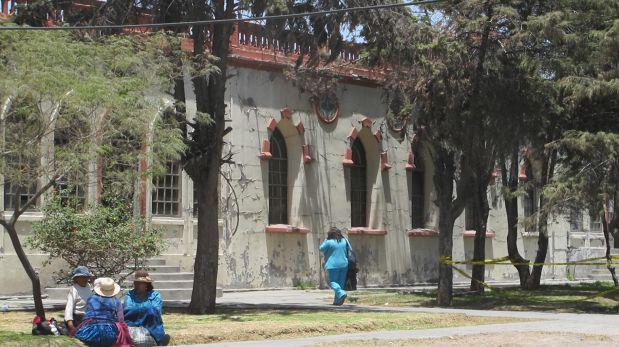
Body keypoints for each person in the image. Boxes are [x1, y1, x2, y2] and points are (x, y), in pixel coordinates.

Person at [123, 269, 170, 346]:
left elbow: (156, 309)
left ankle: (159, 340)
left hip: (150, 322)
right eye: (136, 283)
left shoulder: (155, 295)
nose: (137, 285)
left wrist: (140, 309)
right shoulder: (130, 295)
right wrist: (145, 309)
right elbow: (128, 309)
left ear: (146, 284)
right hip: (133, 322)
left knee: (152, 313)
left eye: (140, 283)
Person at [75, 277, 123, 347]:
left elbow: (87, 314)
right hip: (110, 332)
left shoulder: (91, 299)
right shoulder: (116, 302)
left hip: (90, 331)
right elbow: (121, 319)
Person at [319, 227, 352, 305]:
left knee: (332, 282)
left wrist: (325, 240)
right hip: (344, 264)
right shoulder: (345, 240)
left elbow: (321, 248)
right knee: (340, 283)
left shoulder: (329, 242)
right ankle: (337, 301)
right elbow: (350, 249)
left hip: (332, 265)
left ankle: (341, 293)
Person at [65, 266, 94, 337]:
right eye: (82, 277)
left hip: (88, 317)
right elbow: (69, 307)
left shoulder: (88, 286)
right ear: (77, 279)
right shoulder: (74, 290)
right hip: (77, 318)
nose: (85, 279)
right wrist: (70, 324)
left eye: (86, 277)